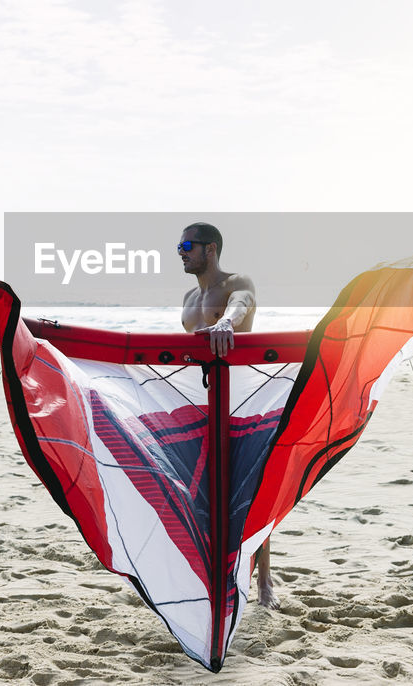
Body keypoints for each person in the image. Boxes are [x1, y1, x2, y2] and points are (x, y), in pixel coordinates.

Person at [178, 222, 278, 609]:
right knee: (202, 493)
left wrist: (225, 322)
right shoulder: (188, 298)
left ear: (211, 249)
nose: (182, 252)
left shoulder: (238, 282)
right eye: (179, 247)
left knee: (251, 489)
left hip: (241, 402)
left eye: (188, 245)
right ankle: (214, 574)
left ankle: (265, 579)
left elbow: (242, 305)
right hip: (200, 403)